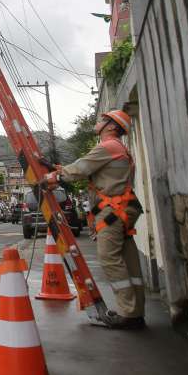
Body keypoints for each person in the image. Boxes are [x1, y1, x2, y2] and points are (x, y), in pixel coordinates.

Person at [43, 109, 145, 330]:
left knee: (109, 258)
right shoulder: (119, 149)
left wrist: (51, 177)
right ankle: (136, 312)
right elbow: (87, 169)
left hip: (113, 211)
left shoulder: (108, 147)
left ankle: (128, 312)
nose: (98, 122)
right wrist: (60, 170)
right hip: (124, 209)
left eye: (103, 120)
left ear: (111, 126)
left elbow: (81, 168)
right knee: (128, 259)